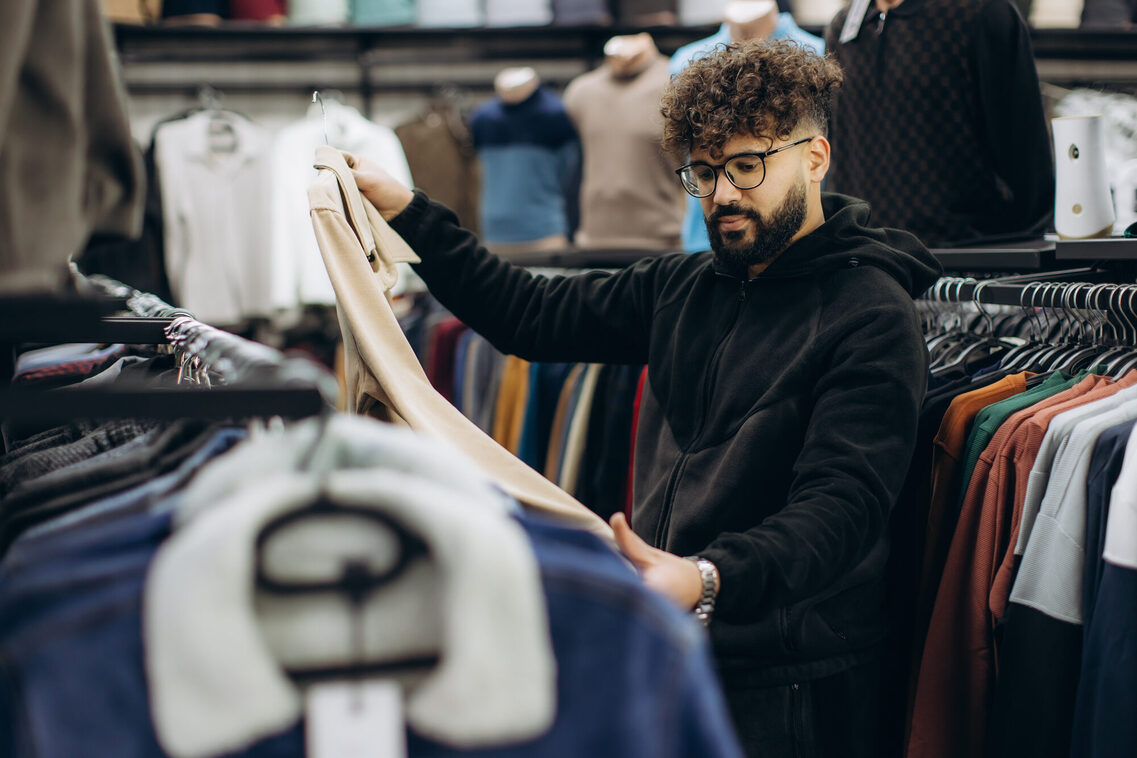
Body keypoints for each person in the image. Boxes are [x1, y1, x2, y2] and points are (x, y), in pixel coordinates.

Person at [351, 40, 942, 758]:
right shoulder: (682, 287)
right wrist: (408, 210)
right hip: (679, 636)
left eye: (746, 164)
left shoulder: (871, 311)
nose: (722, 193)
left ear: (814, 157)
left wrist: (708, 577)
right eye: (703, 171)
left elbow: (842, 506)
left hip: (794, 682)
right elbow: (527, 315)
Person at [825, 0, 1054, 248]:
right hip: (866, 260)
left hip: (970, 259)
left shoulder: (982, 12)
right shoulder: (842, 28)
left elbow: (1026, 155)